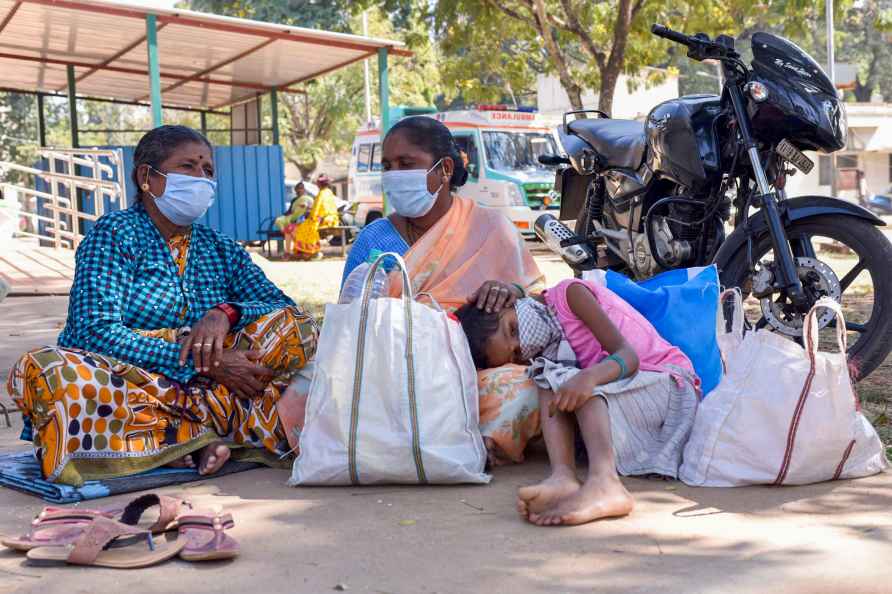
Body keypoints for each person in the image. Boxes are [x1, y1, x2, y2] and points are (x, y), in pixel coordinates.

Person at [7, 125, 318, 486]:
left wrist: (226, 313)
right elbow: (92, 331)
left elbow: (283, 309)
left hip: (221, 389)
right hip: (138, 382)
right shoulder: (114, 234)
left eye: (208, 170)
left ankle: (181, 440)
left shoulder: (219, 247)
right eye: (188, 166)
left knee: (299, 331)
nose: (202, 178)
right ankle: (208, 435)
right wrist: (203, 362)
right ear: (146, 177)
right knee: (47, 370)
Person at [320, 115, 545, 466]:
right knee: (311, 391)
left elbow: (540, 301)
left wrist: (511, 291)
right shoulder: (374, 237)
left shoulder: (490, 227)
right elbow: (349, 327)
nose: (395, 174)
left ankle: (475, 444)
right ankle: (437, 438)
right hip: (391, 375)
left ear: (444, 170)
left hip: (469, 375)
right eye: (387, 166)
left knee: (526, 385)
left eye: (406, 164)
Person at [455, 278, 700, 526]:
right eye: (517, 354)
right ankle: (563, 477)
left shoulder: (570, 295)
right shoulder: (549, 347)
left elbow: (629, 356)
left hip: (668, 388)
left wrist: (589, 377)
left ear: (510, 304)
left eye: (513, 329)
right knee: (546, 374)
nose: (524, 344)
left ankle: (605, 483)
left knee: (578, 379)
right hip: (625, 405)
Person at [292, 174, 340, 260]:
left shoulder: (322, 193)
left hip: (325, 220)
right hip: (332, 219)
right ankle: (306, 251)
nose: (317, 185)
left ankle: (311, 252)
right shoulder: (329, 192)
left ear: (320, 184)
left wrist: (311, 217)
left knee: (304, 227)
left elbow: (316, 209)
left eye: (317, 183)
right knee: (305, 226)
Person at [275, 182, 313, 256]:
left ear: (304, 190)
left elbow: (311, 210)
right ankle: (289, 252)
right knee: (285, 228)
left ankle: (301, 250)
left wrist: (306, 209)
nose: (299, 191)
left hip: (305, 222)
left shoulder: (308, 199)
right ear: (295, 191)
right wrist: (285, 216)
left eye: (301, 189)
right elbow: (290, 211)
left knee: (289, 230)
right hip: (293, 221)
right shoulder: (294, 200)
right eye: (297, 190)